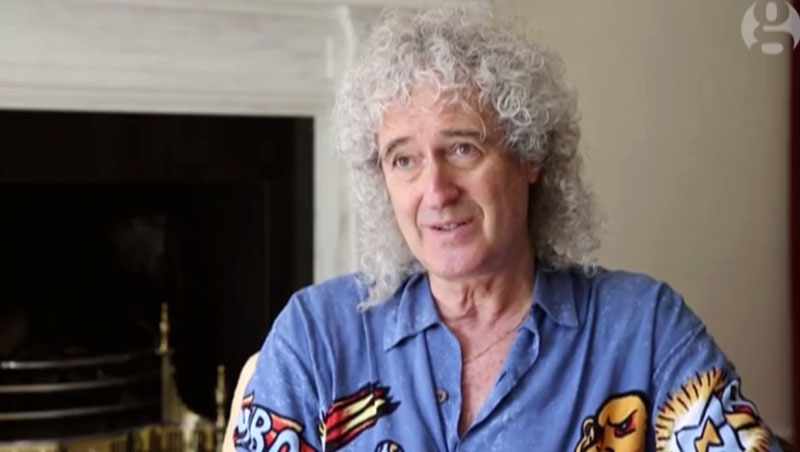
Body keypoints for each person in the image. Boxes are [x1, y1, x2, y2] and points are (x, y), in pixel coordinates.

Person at [228, 3, 781, 451]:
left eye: (462, 149)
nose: (436, 191)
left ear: (528, 154)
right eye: (404, 160)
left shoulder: (642, 331)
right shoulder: (318, 336)